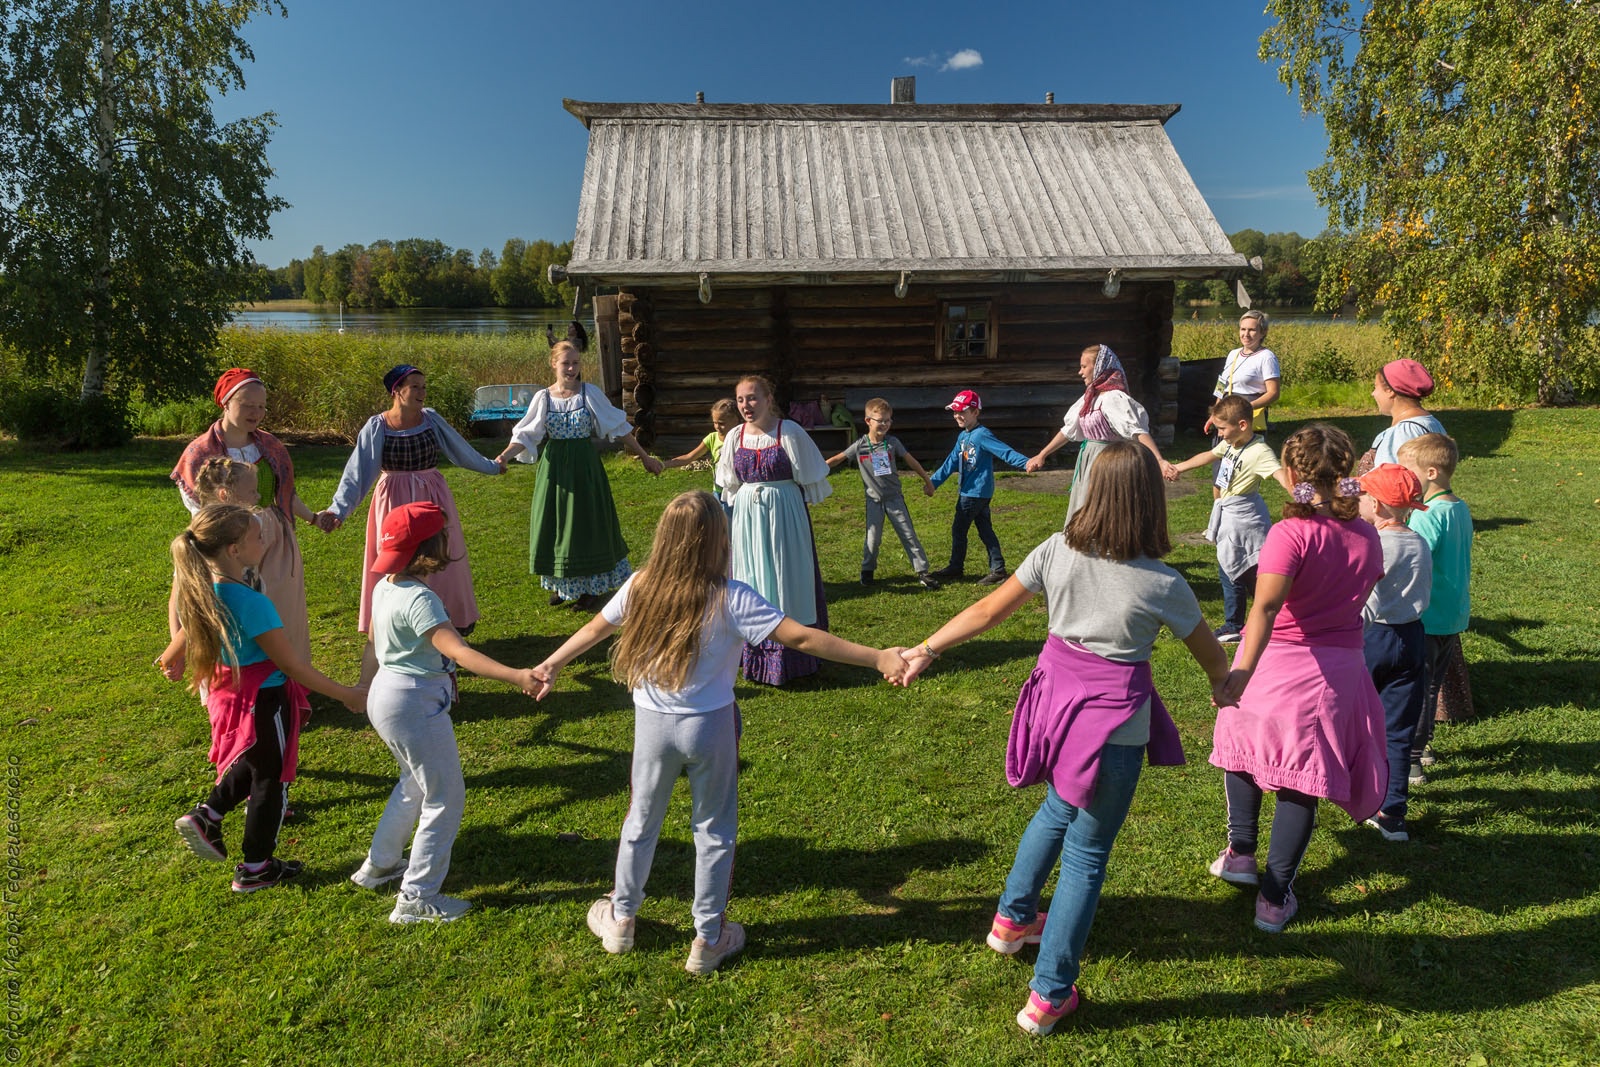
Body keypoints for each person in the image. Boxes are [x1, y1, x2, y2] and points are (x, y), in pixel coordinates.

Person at [899, 442, 1231, 1036]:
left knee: (1057, 807)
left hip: (1053, 710)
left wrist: (926, 649)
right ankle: (1049, 994)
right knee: (1086, 856)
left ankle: (1011, 921)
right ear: (1150, 503)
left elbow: (988, 612)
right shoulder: (1162, 583)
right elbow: (1212, 659)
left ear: (1091, 494)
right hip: (1111, 730)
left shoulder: (1058, 551)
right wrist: (1225, 687)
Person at [530, 491, 909, 973]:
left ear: (665, 539)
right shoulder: (732, 597)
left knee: (640, 820)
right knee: (713, 830)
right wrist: (877, 656)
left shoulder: (640, 585)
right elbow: (802, 637)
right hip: (710, 727)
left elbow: (594, 629)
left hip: (652, 726)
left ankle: (621, 919)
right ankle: (708, 938)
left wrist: (552, 664)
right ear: (717, 541)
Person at [1209, 424, 1387, 934]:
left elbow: (1264, 607)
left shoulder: (1290, 533)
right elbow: (1370, 580)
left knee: (1245, 753)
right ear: (1345, 473)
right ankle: (1274, 896)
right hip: (1332, 672)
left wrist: (1239, 673)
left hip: (1271, 663)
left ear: (1290, 475)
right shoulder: (1366, 533)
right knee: (1300, 780)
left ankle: (1242, 854)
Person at [351, 502, 541, 924]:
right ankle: (416, 898)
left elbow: (371, 645)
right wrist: (516, 676)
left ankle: (379, 864)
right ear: (433, 546)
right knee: (444, 796)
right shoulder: (421, 600)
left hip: (386, 697)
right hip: (412, 703)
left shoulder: (385, 586)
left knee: (414, 782)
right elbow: (459, 651)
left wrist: (362, 688)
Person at [169, 504, 365, 893]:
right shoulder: (252, 603)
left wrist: (172, 654)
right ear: (235, 550)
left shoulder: (205, 588)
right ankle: (256, 866)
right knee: (271, 780)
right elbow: (291, 666)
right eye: (259, 537)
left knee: (256, 763)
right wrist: (347, 695)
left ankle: (208, 815)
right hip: (264, 697)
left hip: (232, 692)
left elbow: (187, 631)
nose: (265, 541)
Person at [318, 365, 505, 682]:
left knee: (440, 559)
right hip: (394, 500)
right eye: (414, 387)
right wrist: (339, 510)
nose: (421, 393)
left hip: (432, 498)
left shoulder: (430, 419)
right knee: (399, 563)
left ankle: (446, 627)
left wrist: (491, 467)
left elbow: (459, 450)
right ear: (397, 391)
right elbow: (358, 473)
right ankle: (400, 627)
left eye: (423, 387)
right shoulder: (378, 427)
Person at [495, 341, 664, 612]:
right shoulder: (543, 398)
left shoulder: (589, 394)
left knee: (585, 525)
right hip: (555, 470)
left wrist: (644, 457)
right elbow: (526, 434)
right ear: (554, 364)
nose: (571, 368)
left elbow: (618, 428)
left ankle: (589, 589)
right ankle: (562, 585)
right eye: (566, 363)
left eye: (575, 362)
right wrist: (504, 455)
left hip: (585, 469)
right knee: (557, 524)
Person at [171, 368, 316, 667]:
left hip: (273, 539)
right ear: (226, 403)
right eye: (248, 404)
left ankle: (288, 678)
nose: (257, 412)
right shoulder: (199, 452)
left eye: (261, 406)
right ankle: (231, 678)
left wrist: (313, 518)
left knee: (280, 610)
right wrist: (225, 539)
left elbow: (285, 493)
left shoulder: (270, 446)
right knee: (225, 608)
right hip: (225, 539)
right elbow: (201, 511)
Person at [714, 374, 834, 685]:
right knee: (751, 576)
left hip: (784, 514)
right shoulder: (734, 437)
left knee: (788, 575)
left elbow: (810, 476)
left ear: (769, 399)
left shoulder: (788, 431)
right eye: (741, 399)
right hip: (748, 518)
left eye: (752, 398)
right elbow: (730, 483)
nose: (746, 405)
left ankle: (794, 651)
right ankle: (756, 650)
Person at [1166, 395, 1295, 642]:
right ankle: (1242, 622)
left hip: (1246, 521)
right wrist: (1178, 467)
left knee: (1247, 570)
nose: (1221, 434)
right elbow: (1209, 455)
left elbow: (1279, 475)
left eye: (1223, 428)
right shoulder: (1231, 444)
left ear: (1243, 425)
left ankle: (1263, 619)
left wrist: (1304, 496)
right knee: (1230, 569)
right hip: (1230, 517)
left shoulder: (1260, 451)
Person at [1357, 464, 1433, 842]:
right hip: (1413, 638)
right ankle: (1393, 813)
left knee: (1355, 720)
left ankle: (1352, 793)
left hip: (1374, 638)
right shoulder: (1418, 542)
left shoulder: (1373, 545)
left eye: (1362, 495)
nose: (1357, 501)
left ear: (1377, 504)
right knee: (1398, 730)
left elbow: (1365, 599)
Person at [1397, 433, 1474, 778]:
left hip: (1427, 614)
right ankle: (1422, 746)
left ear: (1429, 472)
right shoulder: (1459, 507)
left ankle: (1411, 757)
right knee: (1430, 684)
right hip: (1452, 614)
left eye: (1406, 470)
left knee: (1419, 686)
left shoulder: (1429, 516)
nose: (1403, 477)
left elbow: (1414, 558)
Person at [1026, 346, 1176, 518]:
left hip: (1110, 462)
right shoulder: (1090, 397)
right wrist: (1042, 455)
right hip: (1088, 460)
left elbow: (1137, 431)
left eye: (1084, 366)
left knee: (1103, 509)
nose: (1080, 372)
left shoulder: (1113, 398)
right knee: (1084, 507)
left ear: (1098, 367)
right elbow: (1068, 431)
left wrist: (1159, 460)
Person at [825, 397, 940, 589]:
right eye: (880, 420)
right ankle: (867, 571)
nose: (885, 424)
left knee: (908, 534)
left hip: (895, 499)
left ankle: (923, 572)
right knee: (873, 538)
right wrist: (817, 470)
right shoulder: (860, 445)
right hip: (874, 501)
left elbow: (911, 461)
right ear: (868, 421)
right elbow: (838, 458)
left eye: (888, 420)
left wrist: (927, 481)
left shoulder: (893, 443)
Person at [927, 389, 1032, 585]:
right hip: (973, 492)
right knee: (984, 530)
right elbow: (951, 462)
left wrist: (1026, 463)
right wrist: (933, 482)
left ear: (975, 412)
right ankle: (998, 569)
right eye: (955, 412)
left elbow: (1004, 451)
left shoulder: (982, 435)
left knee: (959, 530)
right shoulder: (963, 437)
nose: (957, 415)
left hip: (975, 492)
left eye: (962, 412)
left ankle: (956, 568)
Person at [1206, 311, 1281, 436]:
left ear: (1263, 332)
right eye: (1243, 329)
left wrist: (1245, 408)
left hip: (1249, 417)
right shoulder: (1233, 354)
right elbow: (1222, 384)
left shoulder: (1267, 357)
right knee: (1222, 454)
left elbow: (1274, 393)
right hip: (1226, 414)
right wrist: (1215, 413)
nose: (1246, 334)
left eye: (1252, 330)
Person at [1365, 358, 1446, 471]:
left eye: (1376, 387)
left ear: (1390, 391)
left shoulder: (1402, 432)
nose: (1373, 393)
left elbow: (1391, 481)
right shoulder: (1432, 423)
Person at [663, 399, 739, 513]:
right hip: (718, 491)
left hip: (736, 491)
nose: (717, 427)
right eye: (715, 422)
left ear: (736, 420)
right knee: (719, 527)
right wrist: (663, 464)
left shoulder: (742, 439)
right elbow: (689, 457)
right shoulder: (712, 438)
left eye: (722, 423)